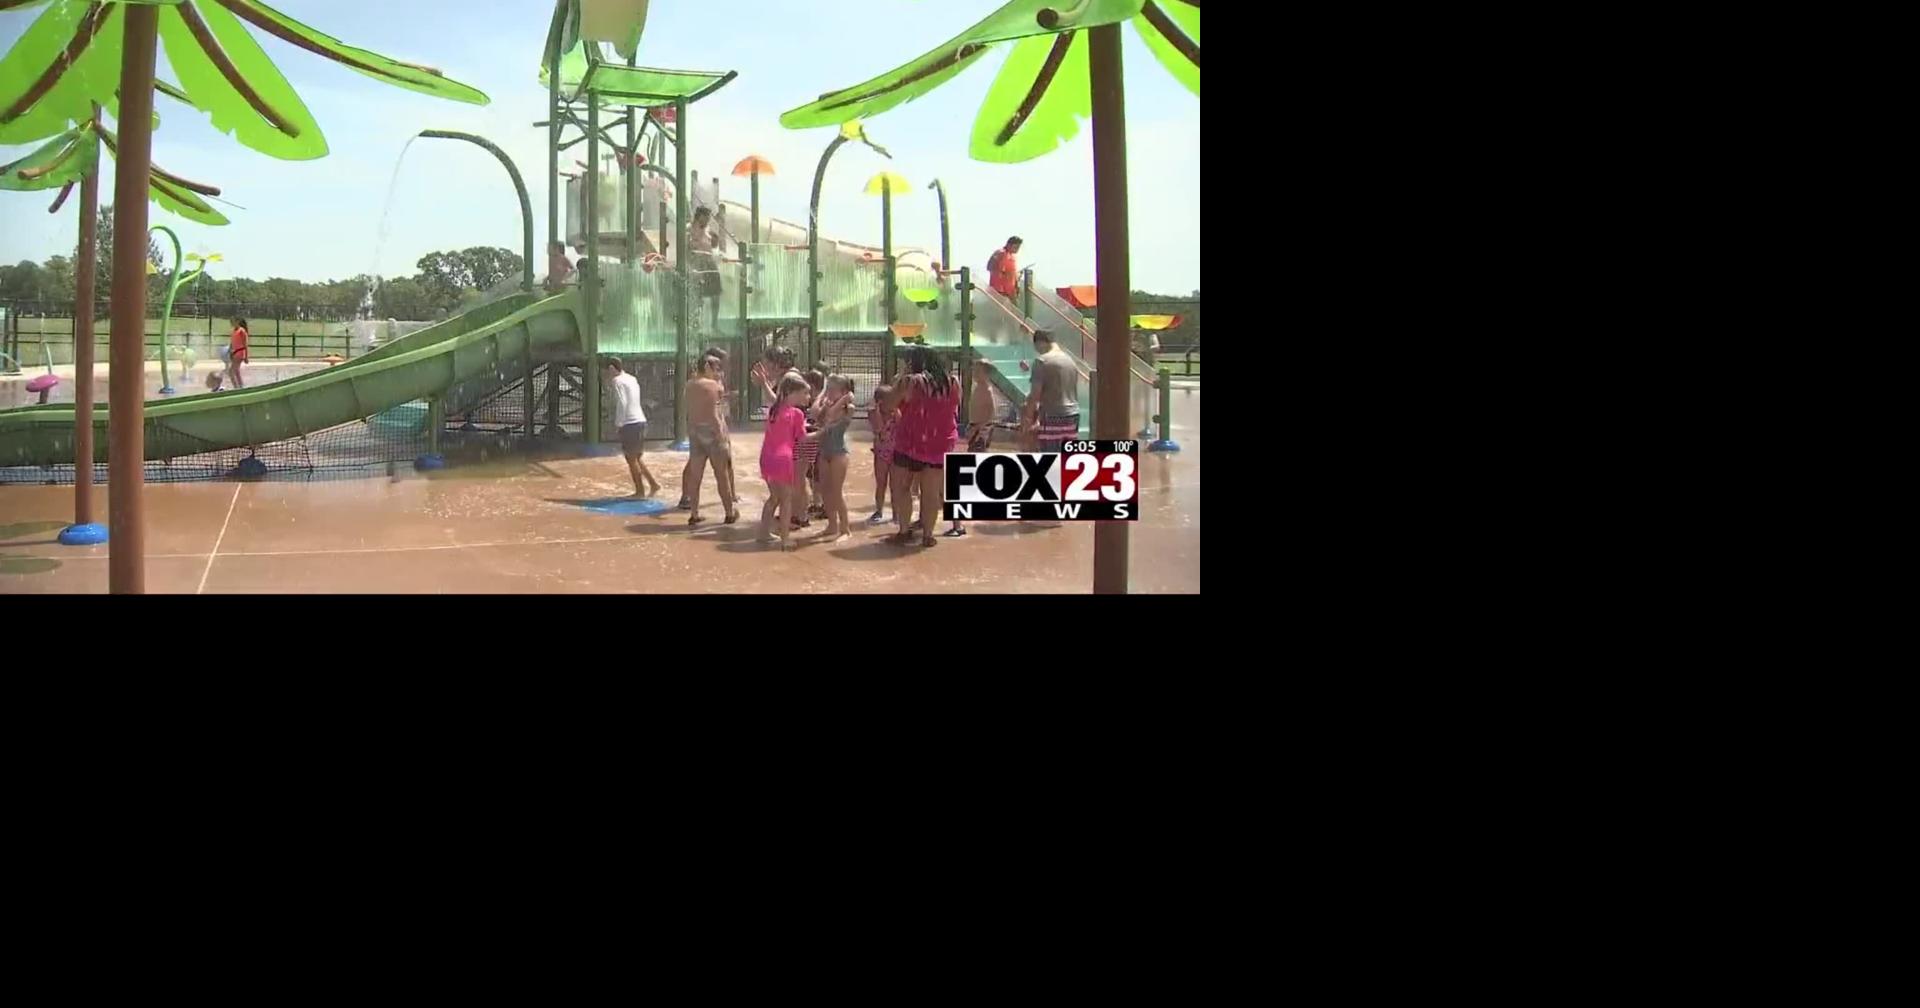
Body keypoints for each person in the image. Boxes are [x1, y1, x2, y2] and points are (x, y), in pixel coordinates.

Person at [888, 346, 959, 548]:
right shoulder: (952, 382)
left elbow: (890, 404)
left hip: (910, 441)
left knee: (902, 488)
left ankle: (904, 531)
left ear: (914, 362)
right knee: (930, 493)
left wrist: (901, 378)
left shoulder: (910, 381)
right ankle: (928, 536)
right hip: (939, 442)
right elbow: (955, 408)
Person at [681, 354, 739, 525]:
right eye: (716, 368)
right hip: (712, 433)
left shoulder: (689, 385)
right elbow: (714, 414)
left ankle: (694, 513)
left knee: (696, 476)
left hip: (695, 432)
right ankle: (729, 513)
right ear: (707, 366)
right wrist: (721, 435)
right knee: (721, 475)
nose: (718, 372)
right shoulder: (712, 386)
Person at [758, 374, 814, 551]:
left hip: (766, 458)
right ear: (793, 393)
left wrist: (765, 383)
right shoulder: (796, 413)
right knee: (786, 501)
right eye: (805, 393)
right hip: (783, 459)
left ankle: (764, 533)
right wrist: (823, 432)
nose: (808, 398)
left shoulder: (774, 409)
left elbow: (775, 399)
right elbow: (803, 439)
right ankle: (785, 540)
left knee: (774, 498)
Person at [947, 359, 1000, 537]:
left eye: (977, 370)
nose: (974, 373)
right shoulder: (979, 387)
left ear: (985, 372)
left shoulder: (987, 389)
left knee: (976, 462)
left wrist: (977, 428)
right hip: (976, 427)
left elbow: (992, 414)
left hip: (982, 429)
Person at [604, 356, 659, 498]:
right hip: (640, 420)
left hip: (630, 423)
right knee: (637, 457)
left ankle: (640, 491)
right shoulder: (631, 378)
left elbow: (622, 404)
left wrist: (619, 424)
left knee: (631, 459)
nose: (606, 374)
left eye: (607, 370)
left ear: (611, 368)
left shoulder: (617, 381)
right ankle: (653, 484)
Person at [813, 374, 856, 541]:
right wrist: (823, 392)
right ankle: (832, 525)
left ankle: (845, 529)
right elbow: (814, 412)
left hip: (838, 453)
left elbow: (831, 415)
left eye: (832, 389)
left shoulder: (848, 408)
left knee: (836, 492)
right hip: (824, 453)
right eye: (827, 388)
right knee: (825, 491)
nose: (829, 392)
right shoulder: (827, 403)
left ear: (844, 392)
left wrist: (844, 398)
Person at [1030, 328, 1080, 452]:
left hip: (1051, 415)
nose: (1037, 351)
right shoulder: (1070, 361)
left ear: (1040, 342)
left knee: (1050, 457)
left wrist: (1029, 418)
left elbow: (1035, 394)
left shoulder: (1042, 361)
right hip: (1073, 415)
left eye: (1037, 347)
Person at [867, 383, 897, 524]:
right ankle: (879, 510)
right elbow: (879, 429)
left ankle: (896, 513)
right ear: (880, 402)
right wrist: (878, 410)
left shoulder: (896, 412)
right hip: (881, 452)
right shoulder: (873, 414)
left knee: (895, 485)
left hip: (897, 452)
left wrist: (895, 411)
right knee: (881, 483)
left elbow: (901, 424)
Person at [226, 316, 249, 388]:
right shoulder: (233, 331)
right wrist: (230, 350)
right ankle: (241, 386)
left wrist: (246, 356)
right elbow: (232, 342)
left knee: (230, 372)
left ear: (237, 322)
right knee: (236, 371)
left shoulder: (242, 331)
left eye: (233, 322)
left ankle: (236, 387)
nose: (232, 323)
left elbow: (245, 344)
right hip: (235, 353)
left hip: (240, 352)